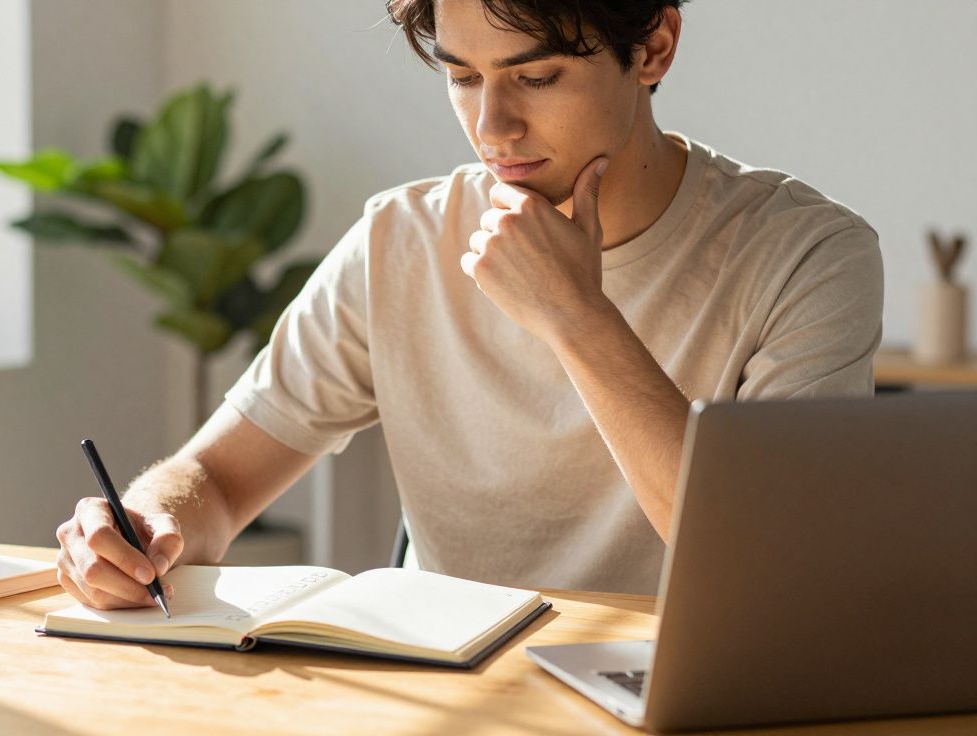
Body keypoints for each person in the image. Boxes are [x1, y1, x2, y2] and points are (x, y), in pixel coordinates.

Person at [55, 0, 883, 608]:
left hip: (671, 693)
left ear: (655, 46)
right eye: (463, 77)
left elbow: (770, 576)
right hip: (446, 695)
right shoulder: (400, 241)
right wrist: (144, 523)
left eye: (536, 76)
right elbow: (218, 481)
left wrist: (577, 315)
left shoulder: (807, 257)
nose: (494, 126)